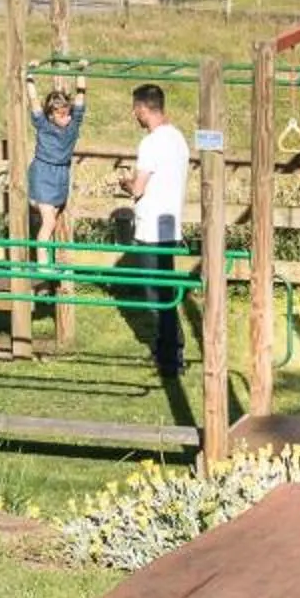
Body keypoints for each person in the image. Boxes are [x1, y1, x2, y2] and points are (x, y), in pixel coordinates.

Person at [122, 82, 192, 379]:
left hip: (150, 228)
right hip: (170, 225)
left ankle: (172, 354)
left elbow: (138, 189)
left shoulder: (150, 143)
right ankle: (169, 350)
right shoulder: (178, 139)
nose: (134, 115)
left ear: (143, 108)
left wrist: (126, 183)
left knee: (154, 295)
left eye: (135, 109)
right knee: (164, 292)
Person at [25, 71, 88, 243]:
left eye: (68, 113)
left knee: (52, 221)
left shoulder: (73, 126)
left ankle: (47, 255)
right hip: (43, 174)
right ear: (51, 115)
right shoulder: (44, 125)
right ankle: (42, 260)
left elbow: (81, 97)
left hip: (60, 176)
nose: (66, 117)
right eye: (61, 114)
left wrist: (81, 72)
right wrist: (30, 78)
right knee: (49, 222)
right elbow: (34, 101)